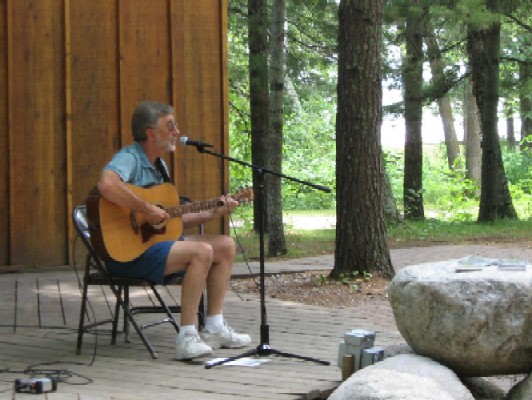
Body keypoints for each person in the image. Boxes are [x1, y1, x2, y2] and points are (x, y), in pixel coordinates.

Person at [96, 100, 251, 360]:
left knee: (224, 245)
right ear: (150, 133)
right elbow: (106, 184)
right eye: (170, 126)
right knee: (201, 251)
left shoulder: (160, 167)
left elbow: (169, 222)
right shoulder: (130, 157)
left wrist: (214, 212)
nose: (177, 131)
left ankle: (213, 326)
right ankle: (187, 336)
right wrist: (146, 208)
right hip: (126, 255)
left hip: (155, 247)